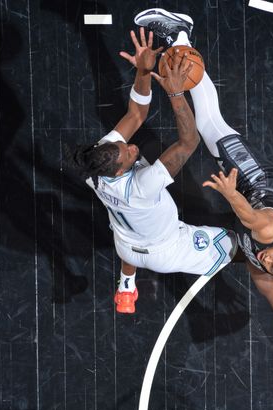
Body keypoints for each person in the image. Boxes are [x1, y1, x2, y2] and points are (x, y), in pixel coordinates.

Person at [134, 8, 273, 357]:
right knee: (211, 124)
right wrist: (231, 192)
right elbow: (249, 218)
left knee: (262, 278)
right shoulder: (269, 233)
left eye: (271, 262)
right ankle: (181, 36)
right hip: (256, 181)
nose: (268, 259)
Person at [68, 28, 235, 313]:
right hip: (166, 250)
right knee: (235, 246)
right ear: (119, 173)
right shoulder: (142, 187)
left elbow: (136, 114)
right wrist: (175, 92)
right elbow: (189, 141)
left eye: (126, 147)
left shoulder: (96, 165)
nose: (133, 148)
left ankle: (126, 288)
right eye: (129, 154)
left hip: (126, 244)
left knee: (126, 232)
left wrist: (143, 71)